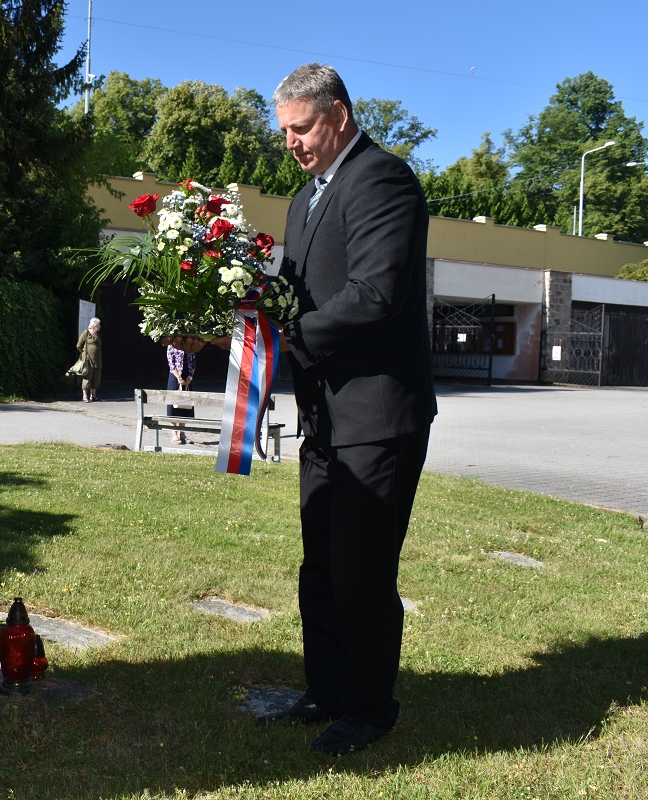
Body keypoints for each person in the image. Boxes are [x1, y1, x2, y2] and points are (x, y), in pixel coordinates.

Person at [167, 63, 436, 755]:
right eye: (283, 130)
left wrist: (287, 336)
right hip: (325, 415)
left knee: (362, 571)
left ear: (339, 115)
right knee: (320, 564)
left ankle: (370, 709)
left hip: (378, 414)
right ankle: (326, 691)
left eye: (302, 127)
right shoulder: (303, 197)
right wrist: (217, 316)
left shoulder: (382, 180)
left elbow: (376, 295)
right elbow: (287, 296)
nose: (291, 141)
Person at [165, 345, 195, 444]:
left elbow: (193, 362)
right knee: (173, 404)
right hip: (175, 376)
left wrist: (190, 377)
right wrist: (178, 377)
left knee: (185, 405)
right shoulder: (171, 345)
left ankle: (182, 433)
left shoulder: (190, 343)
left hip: (187, 376)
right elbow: (171, 363)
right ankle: (174, 433)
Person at [77, 317, 103, 402]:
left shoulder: (97, 334)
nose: (100, 326)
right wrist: (84, 354)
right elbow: (79, 345)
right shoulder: (86, 333)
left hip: (97, 360)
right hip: (88, 360)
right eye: (98, 324)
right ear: (94, 325)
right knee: (87, 378)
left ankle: (93, 396)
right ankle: (85, 396)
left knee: (96, 378)